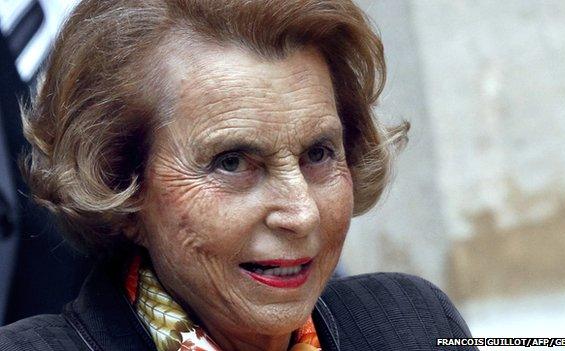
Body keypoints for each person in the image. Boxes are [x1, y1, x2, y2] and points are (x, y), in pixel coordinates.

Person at [0, 0, 475, 350]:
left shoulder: (415, 325)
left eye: (318, 153)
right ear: (120, 186)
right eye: (232, 162)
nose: (302, 213)